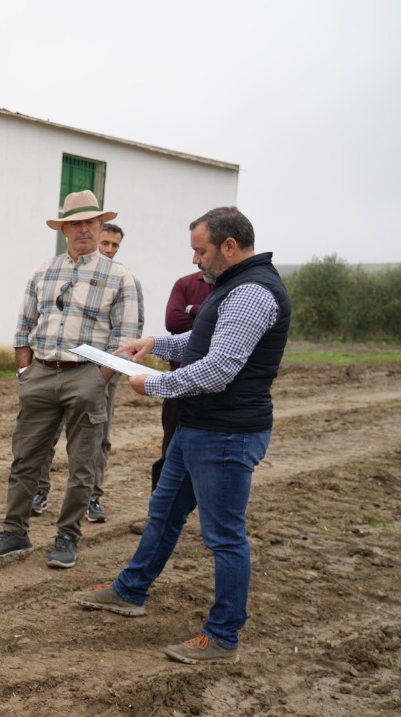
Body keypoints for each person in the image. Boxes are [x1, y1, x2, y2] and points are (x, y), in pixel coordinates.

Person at [77, 207, 289, 665]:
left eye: (201, 250)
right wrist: (153, 344)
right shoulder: (231, 287)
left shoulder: (253, 292)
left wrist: (153, 384)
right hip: (198, 428)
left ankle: (223, 637)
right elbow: (202, 343)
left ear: (229, 246)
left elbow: (219, 368)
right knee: (164, 514)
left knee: (225, 537)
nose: (196, 260)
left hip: (228, 435)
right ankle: (130, 590)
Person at [0, 190, 140, 570]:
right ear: (64, 229)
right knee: (25, 459)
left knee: (82, 464)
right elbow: (23, 326)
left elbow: (126, 338)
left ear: (100, 226)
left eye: (90, 222)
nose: (84, 229)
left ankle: (68, 536)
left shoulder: (120, 278)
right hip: (41, 373)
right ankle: (14, 532)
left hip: (86, 376)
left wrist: (98, 378)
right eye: (76, 223)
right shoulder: (43, 272)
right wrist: (24, 370)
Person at [30, 221, 136, 524]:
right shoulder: (56, 273)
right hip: (54, 370)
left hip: (100, 374)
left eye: (115, 245)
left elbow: (129, 332)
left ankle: (92, 497)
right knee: (46, 435)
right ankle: (39, 490)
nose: (109, 250)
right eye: (106, 243)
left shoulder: (125, 280)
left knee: (96, 439)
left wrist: (104, 374)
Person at [131, 268, 208, 535]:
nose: (196, 259)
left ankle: (213, 523)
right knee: (170, 452)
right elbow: (174, 322)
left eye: (201, 250)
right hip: (179, 385)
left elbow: (221, 329)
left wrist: (194, 310)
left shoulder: (239, 289)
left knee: (216, 463)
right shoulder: (185, 283)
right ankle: (158, 517)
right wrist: (205, 315)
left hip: (220, 394)